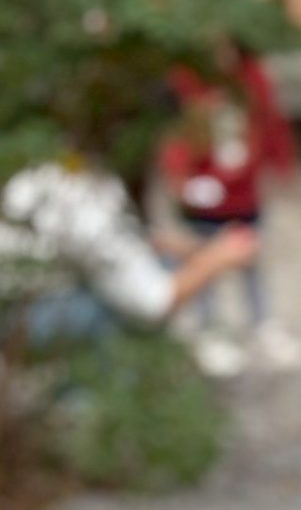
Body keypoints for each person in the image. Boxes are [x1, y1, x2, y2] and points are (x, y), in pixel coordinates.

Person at [0, 157, 259, 374]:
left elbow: (113, 241)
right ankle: (91, 402)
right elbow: (154, 303)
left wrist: (189, 248)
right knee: (120, 314)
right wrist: (218, 257)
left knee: (148, 271)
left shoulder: (54, 173)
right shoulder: (83, 205)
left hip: (21, 304)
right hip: (24, 322)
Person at [158, 41, 301, 369]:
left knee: (251, 263)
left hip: (243, 195)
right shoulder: (187, 79)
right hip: (204, 199)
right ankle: (209, 329)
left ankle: (262, 323)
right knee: (204, 264)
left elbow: (270, 122)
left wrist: (281, 163)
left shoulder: (252, 77)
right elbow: (175, 134)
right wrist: (183, 182)